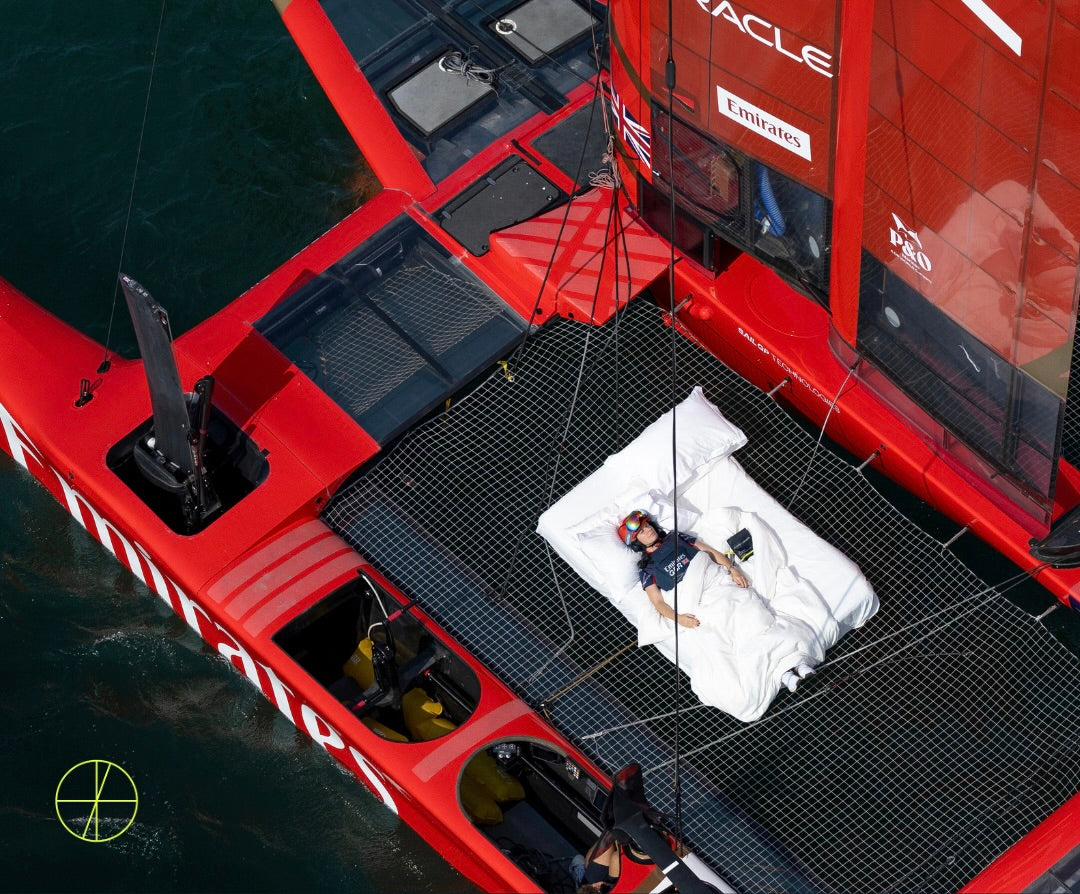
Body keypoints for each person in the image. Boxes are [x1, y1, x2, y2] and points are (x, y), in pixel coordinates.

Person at [617, 510, 748, 628]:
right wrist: (679, 619)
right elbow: (658, 602)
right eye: (642, 531)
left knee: (747, 608)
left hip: (717, 582)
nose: (648, 529)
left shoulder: (675, 537)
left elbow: (709, 552)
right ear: (636, 542)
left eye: (647, 525)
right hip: (700, 601)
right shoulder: (646, 568)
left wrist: (732, 568)